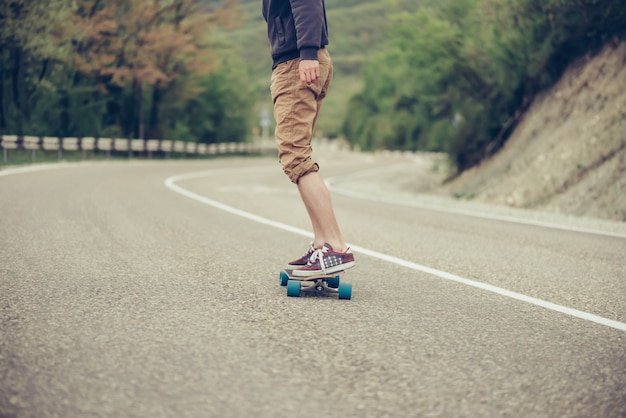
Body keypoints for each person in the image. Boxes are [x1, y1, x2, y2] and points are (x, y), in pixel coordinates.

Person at [262, 0, 355, 277]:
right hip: (297, 60)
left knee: (296, 158)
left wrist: (308, 54)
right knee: (299, 157)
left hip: (296, 63)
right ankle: (323, 245)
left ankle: (335, 246)